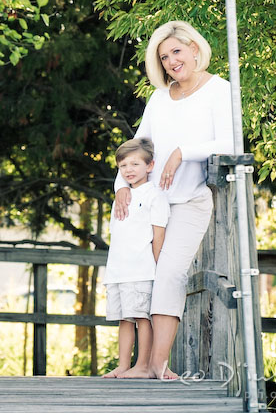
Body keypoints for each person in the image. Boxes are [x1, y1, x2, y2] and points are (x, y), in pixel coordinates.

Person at [113, 20, 235, 379]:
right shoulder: (159, 98)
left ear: (194, 49)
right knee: (147, 276)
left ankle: (157, 366)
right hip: (152, 205)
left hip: (189, 203)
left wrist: (184, 151)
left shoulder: (219, 90)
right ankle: (142, 365)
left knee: (168, 274)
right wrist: (122, 182)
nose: (170, 62)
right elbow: (140, 144)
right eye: (164, 57)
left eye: (176, 52)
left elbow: (230, 143)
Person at [102, 138, 169, 379]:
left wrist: (157, 267)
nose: (128, 170)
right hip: (118, 269)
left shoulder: (155, 195)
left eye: (134, 164)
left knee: (142, 318)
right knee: (124, 319)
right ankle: (123, 365)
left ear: (150, 166)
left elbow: (158, 234)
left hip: (142, 269)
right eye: (123, 166)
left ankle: (142, 365)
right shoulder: (122, 196)